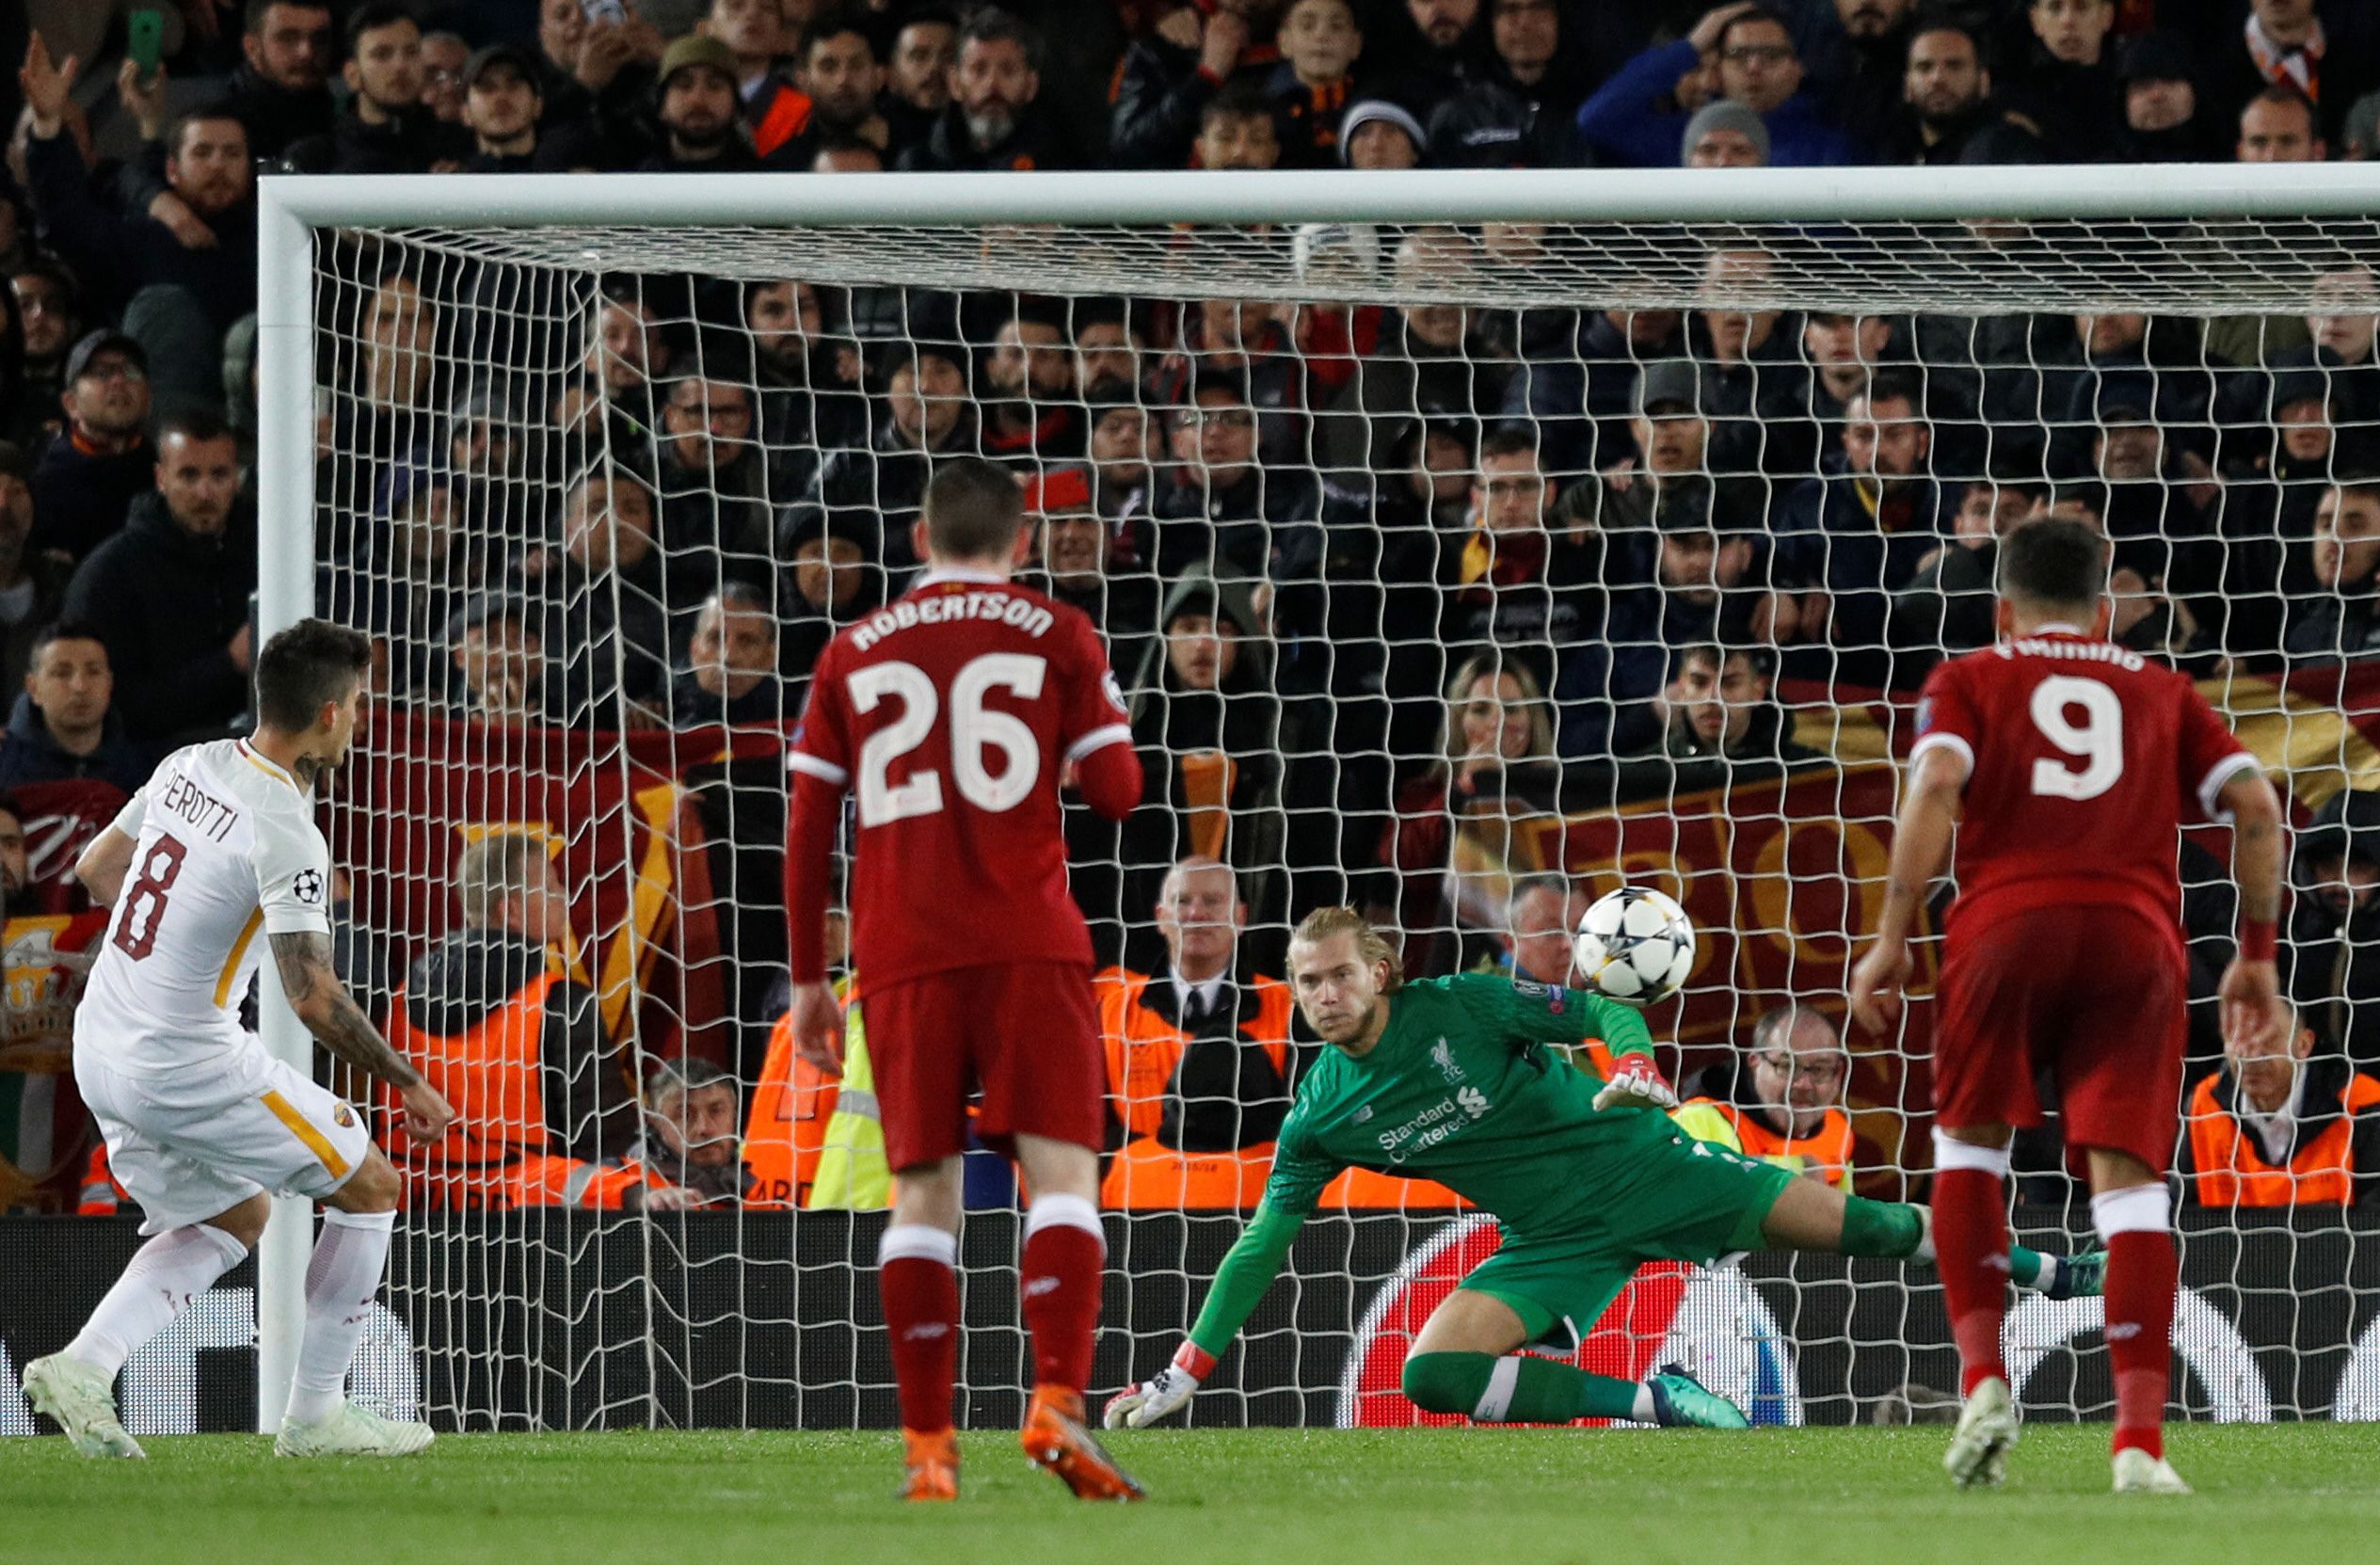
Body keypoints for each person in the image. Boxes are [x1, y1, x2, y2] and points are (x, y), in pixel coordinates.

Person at [1106, 907, 2099, 1434]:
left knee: (1874, 1232)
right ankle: (1656, 1401)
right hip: (1552, 1239)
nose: (1324, 993)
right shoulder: (1320, 1115)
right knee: (1433, 1374)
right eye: (1307, 980)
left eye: (1339, 973)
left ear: (1380, 972)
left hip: (1651, 1166)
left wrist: (1633, 1066)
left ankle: (2050, 1270)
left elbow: (1599, 1007)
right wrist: (1184, 1370)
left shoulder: (1462, 1003)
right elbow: (1261, 1243)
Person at [1849, 517, 2285, 1494]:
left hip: (2003, 928)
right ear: (2102, 610)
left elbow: (1937, 782)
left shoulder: (1969, 677)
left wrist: (1890, 933)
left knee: (1969, 1150)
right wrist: (2255, 957)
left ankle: (1982, 1382)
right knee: (2130, 1190)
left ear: (2001, 608)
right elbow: (2257, 806)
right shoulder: (2162, 687)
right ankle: (2139, 1445)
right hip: (2136, 939)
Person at [783, 458, 1144, 1501]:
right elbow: (1120, 792)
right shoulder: (1060, 633)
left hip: (901, 951)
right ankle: (1057, 1403)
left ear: (918, 539)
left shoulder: (852, 649)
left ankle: (930, 1450)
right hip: (1029, 939)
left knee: (921, 1191)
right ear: (1022, 542)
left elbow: (807, 828)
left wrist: (809, 978)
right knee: (1062, 1175)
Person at [19, 620, 454, 1460]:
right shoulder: (285, 828)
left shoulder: (191, 762)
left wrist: (175, 946)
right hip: (183, 1059)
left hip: (103, 1039)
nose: (362, 718)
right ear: (328, 714)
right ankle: (318, 1415)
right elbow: (313, 996)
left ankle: (84, 1364)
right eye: (360, 703)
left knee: (236, 1211)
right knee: (370, 1185)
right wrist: (408, 1081)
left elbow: (98, 870)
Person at [383, 833, 635, 1212]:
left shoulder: (401, 995)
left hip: (410, 1217)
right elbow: (605, 1146)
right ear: (510, 910)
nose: (563, 896)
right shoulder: (560, 1003)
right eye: (549, 887)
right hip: (526, 1226)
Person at [1097, 856, 1300, 1208]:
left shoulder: (1288, 1008)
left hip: (1254, 1204)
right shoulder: (1113, 1011)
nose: (1196, 913)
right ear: (1160, 916)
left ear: (1241, 917)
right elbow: (1091, 1126)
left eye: (1212, 901)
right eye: (1183, 901)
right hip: (1142, 1202)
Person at [60, 410, 255, 747]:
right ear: (161, 478)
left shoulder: (266, 553)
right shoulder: (110, 574)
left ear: (237, 479)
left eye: (219, 475)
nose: (204, 492)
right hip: (152, 760)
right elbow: (116, 707)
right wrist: (228, 664)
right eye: (189, 476)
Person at [2180, 999, 2380, 1209]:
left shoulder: (2363, 1105)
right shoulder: (2204, 1105)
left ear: (2303, 1045)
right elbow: (2180, 1213)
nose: (2250, 1055)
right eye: (2238, 1038)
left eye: (2268, 1040)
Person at [1676, 1005, 1855, 1188]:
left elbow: (1845, 1205)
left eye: (1819, 1070)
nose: (1803, 1084)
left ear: (1839, 1073)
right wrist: (1801, 1168)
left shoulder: (1838, 1131)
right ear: (1755, 1064)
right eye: (1787, 1066)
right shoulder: (1697, 1121)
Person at [0, 621, 152, 794]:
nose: (80, 686)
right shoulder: (5, 764)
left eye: (93, 672)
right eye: (62, 673)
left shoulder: (146, 772)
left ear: (110, 683)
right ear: (33, 687)